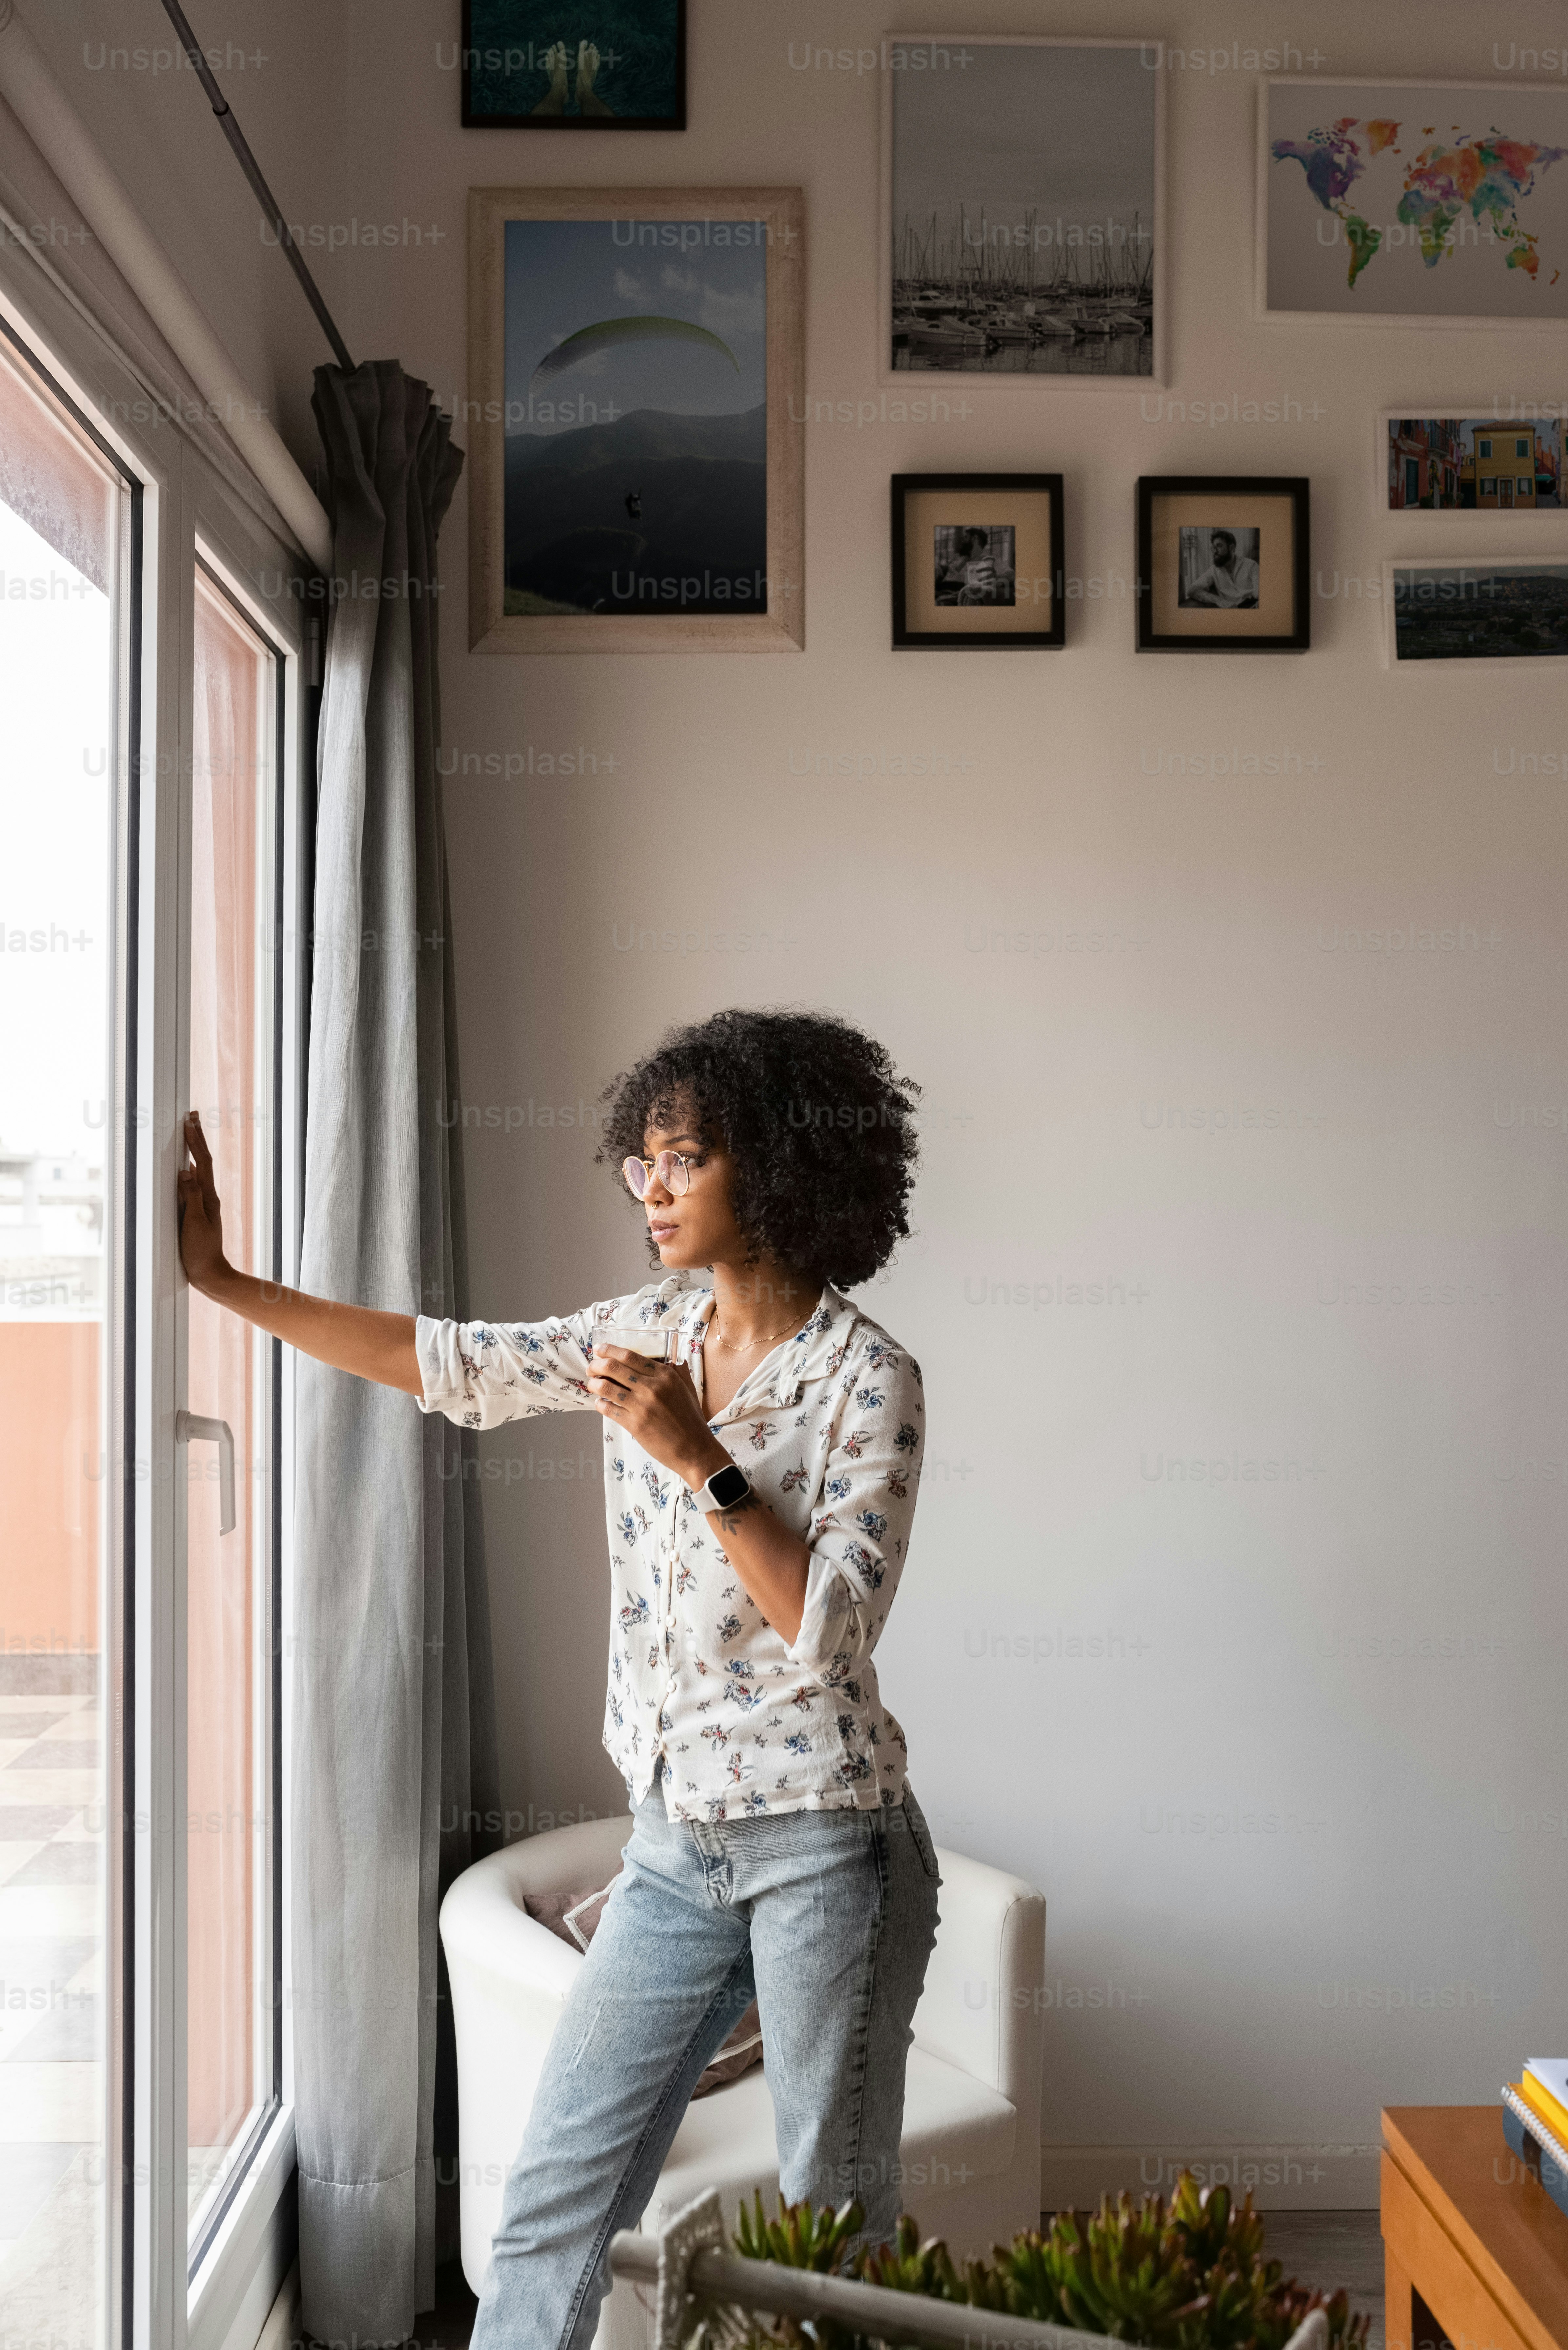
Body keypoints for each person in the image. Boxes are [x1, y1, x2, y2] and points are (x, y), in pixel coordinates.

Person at [176, 1005, 939, 2350]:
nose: (645, 1185)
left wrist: (697, 1453)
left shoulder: (866, 1378)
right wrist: (227, 1284)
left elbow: (830, 1631)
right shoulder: (637, 1329)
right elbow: (449, 1362)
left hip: (832, 1845)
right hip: (670, 1843)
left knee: (834, 2224)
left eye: (681, 1158)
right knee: (553, 2200)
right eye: (638, 1157)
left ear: (773, 1166)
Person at [1182, 526, 1259, 609]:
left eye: (1219, 546)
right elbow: (1192, 590)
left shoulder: (1251, 565)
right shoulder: (1214, 571)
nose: (1215, 552)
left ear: (1232, 548)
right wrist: (1220, 601)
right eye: (1213, 548)